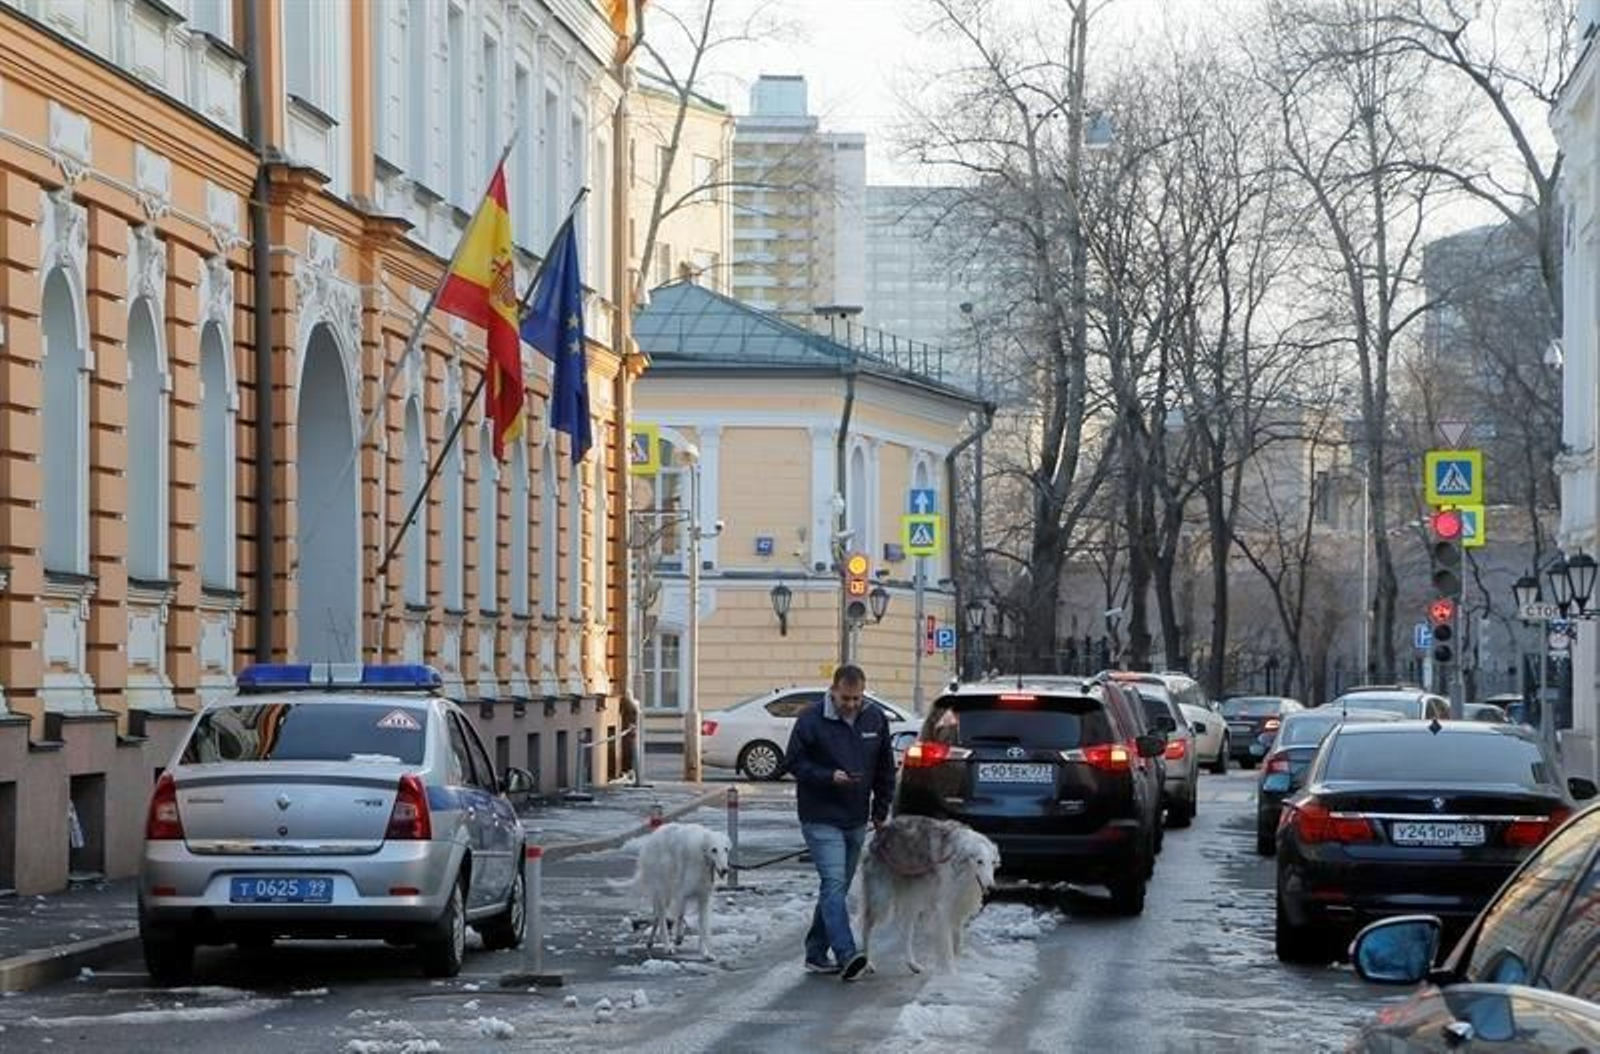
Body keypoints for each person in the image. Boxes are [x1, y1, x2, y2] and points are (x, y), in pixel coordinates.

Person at [783, 663, 896, 982]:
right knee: (833, 884)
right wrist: (827, 777)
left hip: (856, 817)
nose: (851, 704)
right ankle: (847, 954)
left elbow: (885, 767)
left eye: (856, 698)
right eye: (845, 698)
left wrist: (881, 809)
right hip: (819, 815)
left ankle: (816, 952)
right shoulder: (811, 719)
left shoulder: (874, 718)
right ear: (833, 691)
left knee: (837, 888)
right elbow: (793, 761)